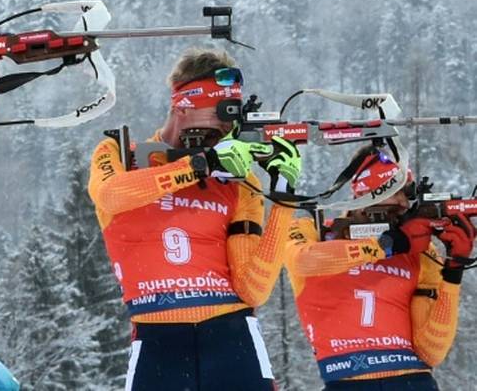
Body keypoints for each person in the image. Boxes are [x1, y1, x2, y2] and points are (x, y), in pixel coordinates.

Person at [87, 47, 301, 391]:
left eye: (232, 114)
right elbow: (111, 195)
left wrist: (284, 199)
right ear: (182, 105)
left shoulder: (239, 179)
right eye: (219, 111)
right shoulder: (119, 154)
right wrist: (200, 165)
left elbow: (253, 288)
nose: (226, 125)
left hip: (232, 337)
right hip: (157, 340)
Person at [284, 149, 469, 389]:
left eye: (406, 194)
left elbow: (431, 350)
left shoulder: (418, 250)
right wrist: (384, 246)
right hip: (345, 379)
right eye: (395, 193)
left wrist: (453, 271)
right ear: (367, 196)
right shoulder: (314, 231)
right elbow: (303, 261)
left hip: (412, 380)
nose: (404, 203)